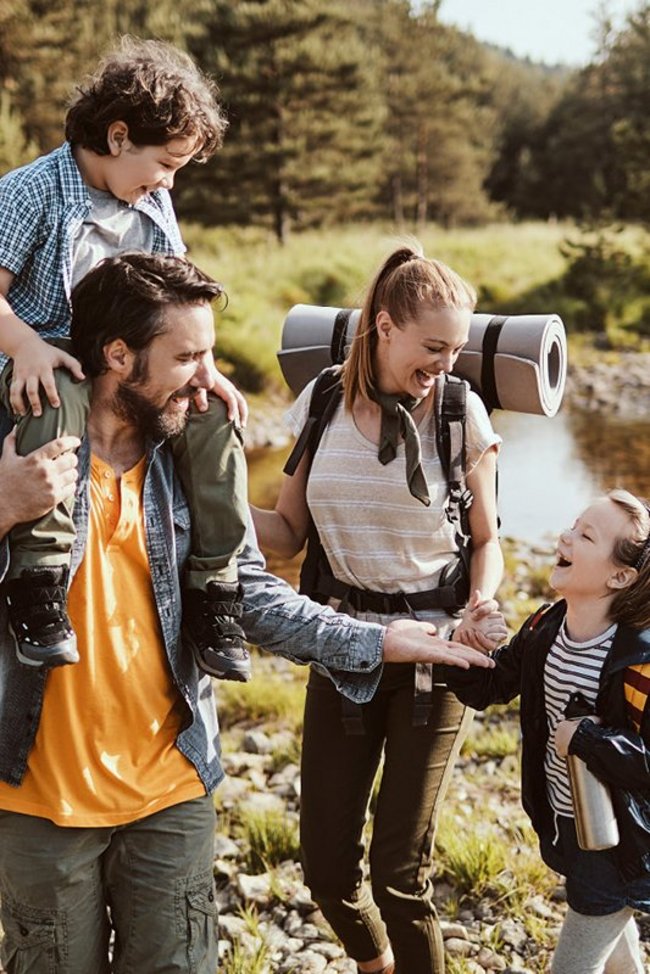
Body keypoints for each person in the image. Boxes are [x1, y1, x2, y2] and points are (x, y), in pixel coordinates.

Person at [0, 251, 497, 974]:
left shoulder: (188, 460)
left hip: (170, 791)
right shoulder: (22, 440)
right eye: (189, 356)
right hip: (41, 802)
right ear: (117, 355)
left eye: (211, 353)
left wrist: (378, 639)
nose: (209, 378)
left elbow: (252, 595)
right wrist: (6, 505)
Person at [252, 245, 504, 974]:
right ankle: (374, 963)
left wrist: (481, 601)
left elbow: (487, 540)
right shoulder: (324, 399)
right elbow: (287, 531)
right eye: (434, 347)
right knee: (326, 870)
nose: (446, 365)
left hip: (437, 656)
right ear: (384, 327)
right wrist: (207, 508)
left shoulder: (461, 412)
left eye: (457, 349)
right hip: (342, 648)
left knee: (400, 875)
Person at [0, 36, 252, 682]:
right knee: (58, 386)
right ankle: (40, 579)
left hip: (134, 368)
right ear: (117, 138)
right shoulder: (33, 194)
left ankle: (214, 586)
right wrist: (24, 342)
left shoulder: (154, 203)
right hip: (43, 359)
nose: (168, 183)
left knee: (213, 416)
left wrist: (205, 367)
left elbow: (185, 289)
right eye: (165, 164)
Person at [446, 489, 650, 974]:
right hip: (569, 823)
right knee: (611, 937)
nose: (564, 536)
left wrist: (587, 741)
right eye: (572, 524)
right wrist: (463, 643)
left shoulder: (640, 663)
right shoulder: (544, 627)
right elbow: (492, 686)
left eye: (586, 535)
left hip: (625, 844)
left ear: (620, 576)